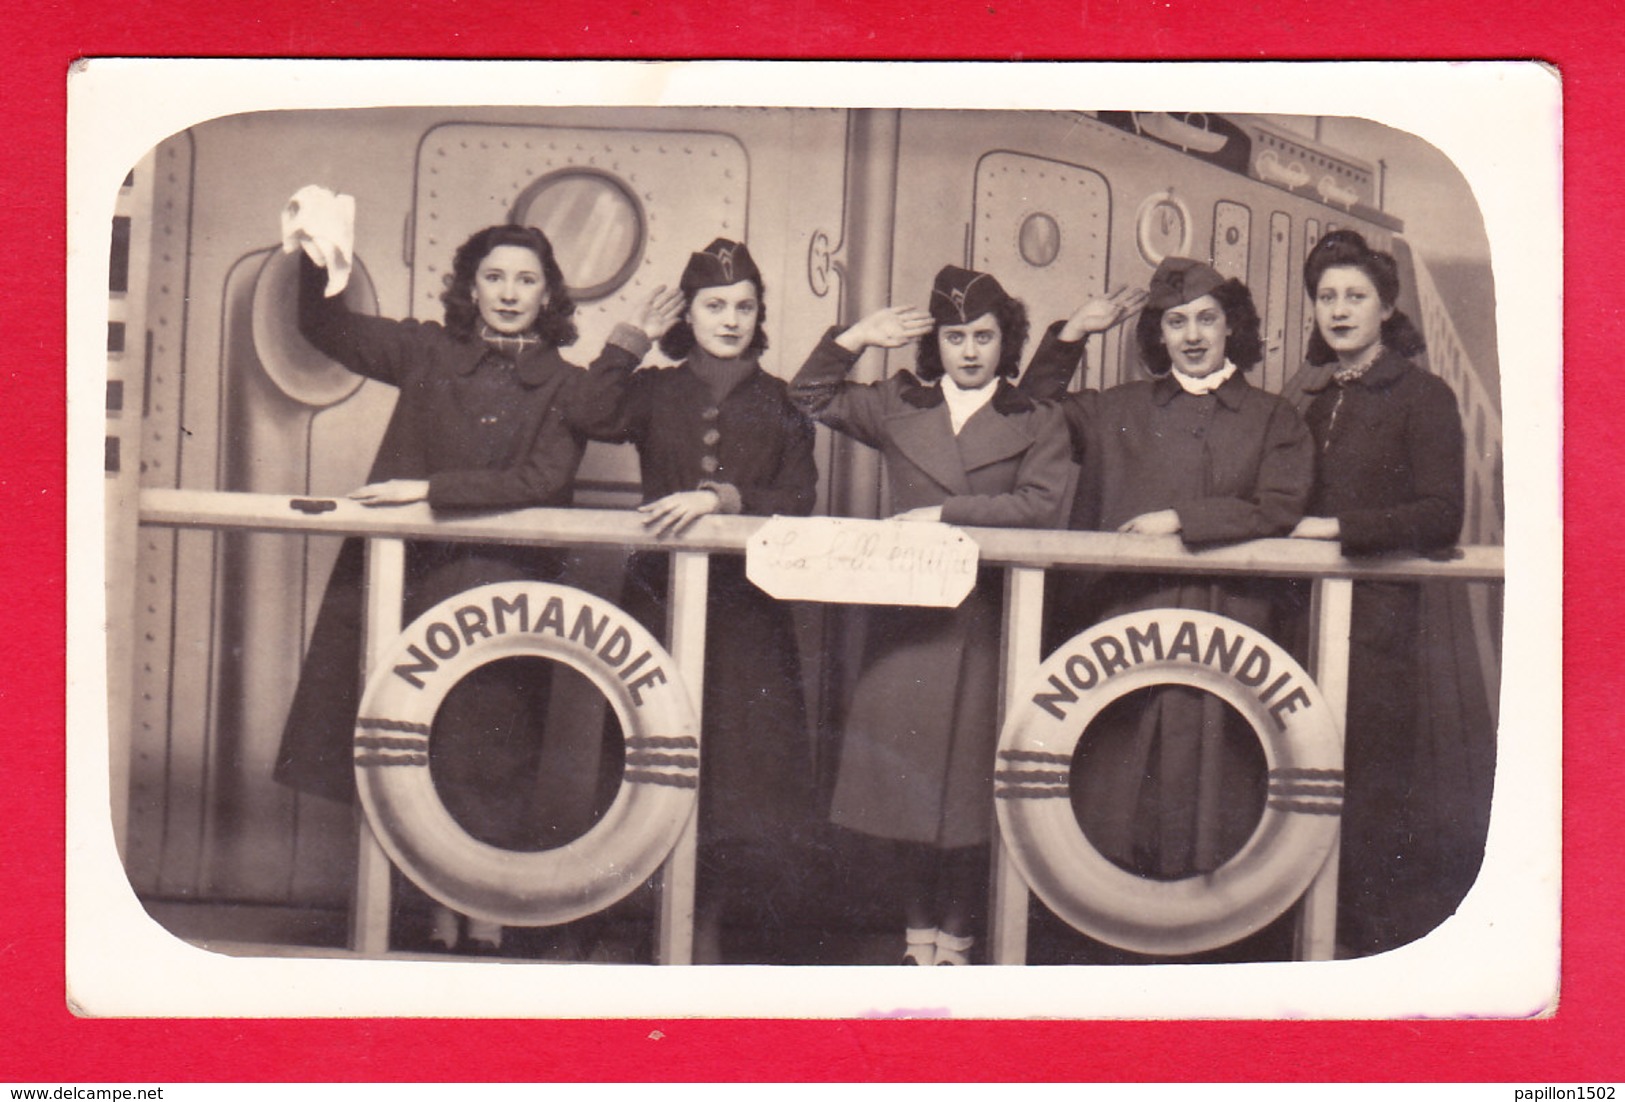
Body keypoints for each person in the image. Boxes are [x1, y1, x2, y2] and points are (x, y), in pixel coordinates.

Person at [272, 191, 673, 954]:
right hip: (407, 580)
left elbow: (543, 484)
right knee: (397, 738)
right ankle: (420, 907)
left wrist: (428, 489)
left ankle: (482, 908)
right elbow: (321, 326)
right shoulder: (424, 351)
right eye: (495, 277)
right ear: (472, 287)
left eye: (526, 280)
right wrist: (314, 254)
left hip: (504, 586)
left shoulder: (563, 382)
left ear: (549, 295)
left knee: (490, 746)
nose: (510, 293)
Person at [791, 265, 1073, 965]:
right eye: (955, 337)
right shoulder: (897, 405)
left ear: (1006, 341)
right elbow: (808, 393)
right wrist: (855, 336)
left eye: (983, 336)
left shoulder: (1036, 418)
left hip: (987, 627)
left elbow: (1043, 506)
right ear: (936, 344)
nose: (970, 351)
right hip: (908, 628)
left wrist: (945, 513)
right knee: (908, 798)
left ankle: (959, 937)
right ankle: (918, 940)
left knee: (975, 798)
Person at [1019, 257, 1313, 908]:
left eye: (1206, 319)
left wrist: (1181, 521)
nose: (1192, 335)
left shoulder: (1273, 418)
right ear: (1158, 334)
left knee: (1222, 785)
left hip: (1233, 627)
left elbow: (1281, 503)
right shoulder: (1112, 409)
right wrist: (1072, 335)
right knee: (1113, 776)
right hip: (1118, 621)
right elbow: (1023, 414)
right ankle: (1109, 932)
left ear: (1231, 327)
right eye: (1175, 322)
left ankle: (1211, 941)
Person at [569, 239, 819, 963]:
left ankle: (702, 929)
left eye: (744, 307)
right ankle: (621, 923)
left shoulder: (781, 401)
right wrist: (630, 336)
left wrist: (723, 498)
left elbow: (799, 499)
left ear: (759, 314)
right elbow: (586, 411)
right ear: (690, 313)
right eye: (714, 306)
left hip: (747, 614)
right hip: (656, 602)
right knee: (645, 758)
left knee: (733, 776)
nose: (730, 319)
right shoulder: (652, 388)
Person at [1285, 229, 1483, 957]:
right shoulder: (1305, 395)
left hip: (1376, 625)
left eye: (1354, 297)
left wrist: (1334, 530)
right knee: (1297, 768)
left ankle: (1358, 950)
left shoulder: (1422, 395)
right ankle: (1296, 931)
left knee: (1367, 783)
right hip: (1299, 620)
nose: (1338, 310)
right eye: (1325, 297)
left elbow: (1440, 514)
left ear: (1385, 306)